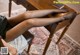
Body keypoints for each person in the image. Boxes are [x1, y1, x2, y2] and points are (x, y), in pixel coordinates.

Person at [0, 9, 77, 55]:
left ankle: (56, 10)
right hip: (4, 35)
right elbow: (10, 51)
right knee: (29, 22)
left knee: (26, 14)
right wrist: (7, 48)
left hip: (2, 23)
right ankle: (62, 18)